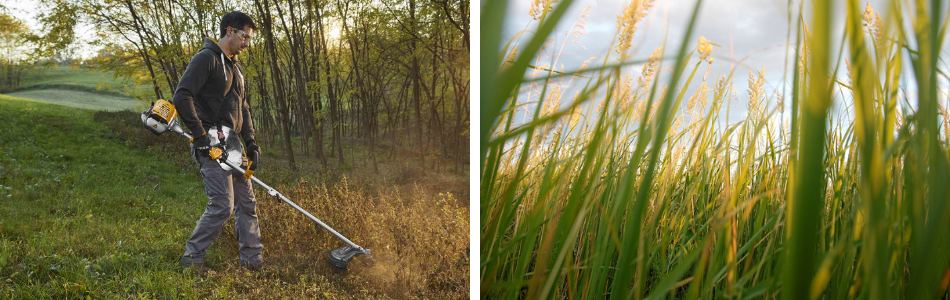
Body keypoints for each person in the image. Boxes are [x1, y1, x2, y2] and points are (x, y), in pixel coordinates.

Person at [172, 11, 262, 273]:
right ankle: (192, 259)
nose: (247, 43)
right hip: (211, 143)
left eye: (250, 38)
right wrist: (200, 137)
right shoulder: (206, 59)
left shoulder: (236, 68)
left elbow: (243, 108)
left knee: (247, 204)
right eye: (245, 36)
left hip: (234, 145)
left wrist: (252, 143)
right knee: (223, 205)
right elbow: (182, 96)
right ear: (230, 31)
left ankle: (252, 260)